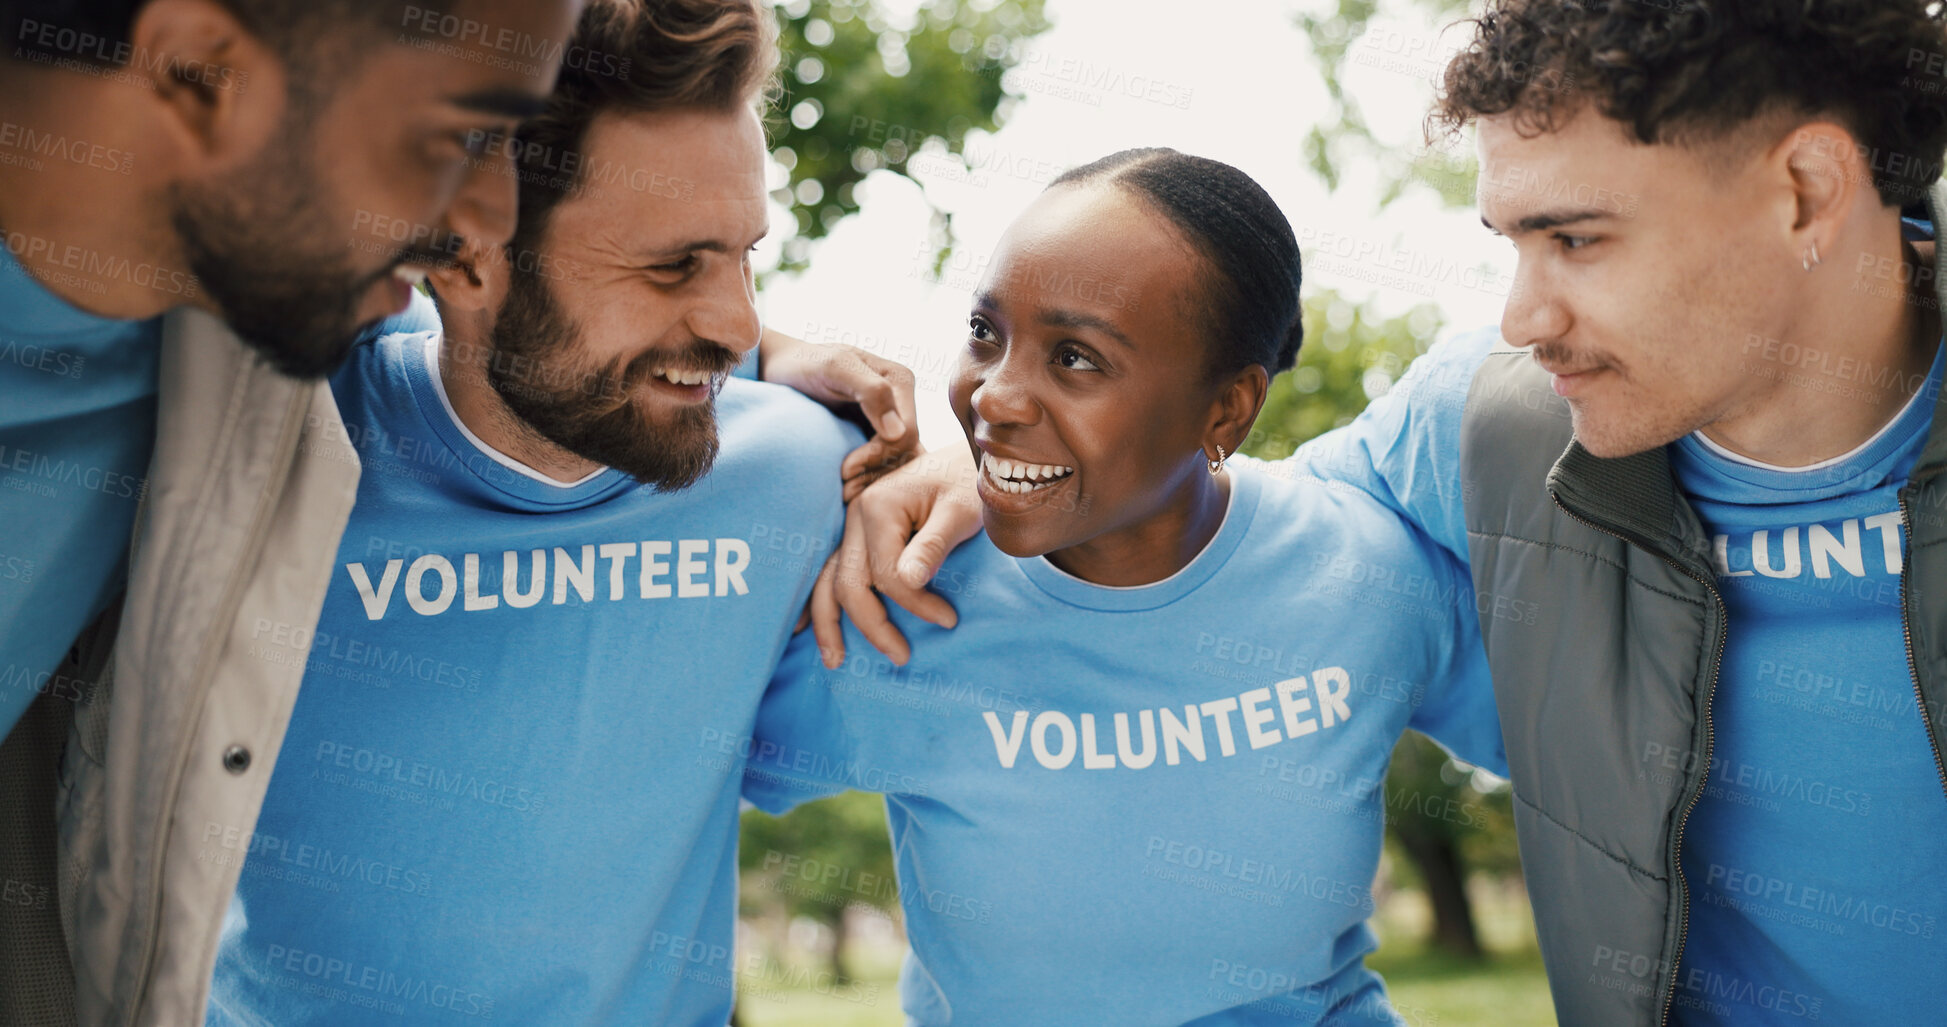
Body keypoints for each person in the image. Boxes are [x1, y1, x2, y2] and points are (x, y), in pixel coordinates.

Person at [818, 3, 1947, 1023]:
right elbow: (1221, 509)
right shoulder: (1488, 429)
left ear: (1806, 189)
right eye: (1510, 242)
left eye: (1578, 240)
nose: (1521, 316)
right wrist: (988, 471)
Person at [197, 1, 894, 1022]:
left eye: (745, 255)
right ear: (466, 254)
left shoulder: (807, 477)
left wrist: (936, 476)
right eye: (673, 266)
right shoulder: (273, 446)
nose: (739, 320)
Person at [745, 148, 1505, 1026]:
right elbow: (660, 779)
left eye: (1074, 357)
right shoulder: (900, 600)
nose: (994, 395)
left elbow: (1580, 769)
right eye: (987, 333)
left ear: (1226, 410)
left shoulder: (1363, 569)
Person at [0, 1, 584, 1022]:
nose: (492, 214)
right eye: (467, 136)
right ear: (195, 74)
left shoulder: (265, 313)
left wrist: (838, 409)